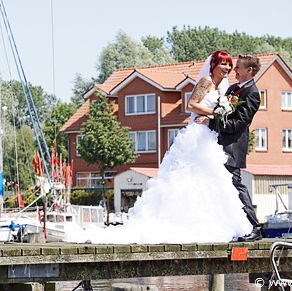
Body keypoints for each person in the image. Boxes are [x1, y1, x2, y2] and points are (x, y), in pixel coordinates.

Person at [64, 51, 253, 244]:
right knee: (188, 175)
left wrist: (218, 115)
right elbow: (191, 104)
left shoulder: (224, 87)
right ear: (213, 65)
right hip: (199, 134)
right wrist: (215, 112)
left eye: (230, 65)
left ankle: (206, 223)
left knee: (209, 180)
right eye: (224, 64)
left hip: (211, 136)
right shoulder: (205, 81)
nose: (228, 68)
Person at [207, 54, 262, 242]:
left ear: (249, 70)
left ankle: (255, 227)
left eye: (238, 67)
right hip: (219, 146)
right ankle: (231, 227)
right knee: (221, 187)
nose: (234, 70)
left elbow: (239, 123)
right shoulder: (232, 88)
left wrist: (211, 121)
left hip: (233, 148)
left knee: (235, 185)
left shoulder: (252, 93)